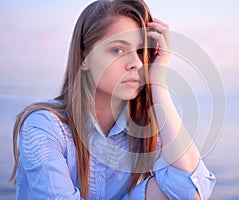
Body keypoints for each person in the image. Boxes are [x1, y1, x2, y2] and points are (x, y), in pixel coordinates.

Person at [10, 0, 216, 199]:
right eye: (118, 50)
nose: (136, 63)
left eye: (141, 51)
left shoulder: (148, 122)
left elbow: (192, 191)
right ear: (83, 58)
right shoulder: (44, 126)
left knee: (168, 191)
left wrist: (158, 84)